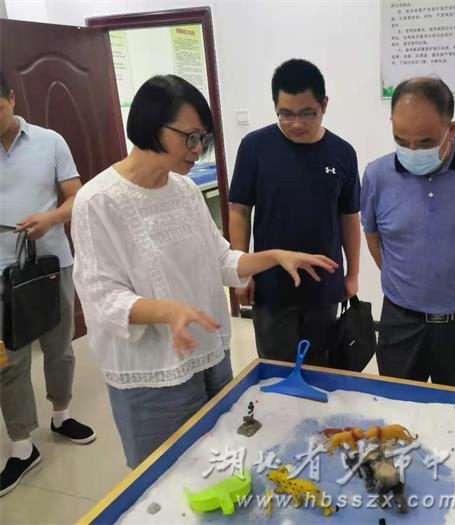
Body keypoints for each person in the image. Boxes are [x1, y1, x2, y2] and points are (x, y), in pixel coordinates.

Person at [71, 75, 338, 468]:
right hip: (155, 372)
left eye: (203, 139)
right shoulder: (98, 201)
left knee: (218, 463)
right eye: (190, 138)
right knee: (166, 476)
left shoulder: (184, 191)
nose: (198, 150)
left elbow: (222, 261)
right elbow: (101, 298)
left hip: (211, 356)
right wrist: (168, 311)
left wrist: (273, 256)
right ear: (151, 126)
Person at [360, 77, 455, 390]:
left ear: (452, 129)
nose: (412, 150)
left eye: (425, 142)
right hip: (400, 322)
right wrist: (406, 278)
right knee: (396, 407)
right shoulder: (376, 175)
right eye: (401, 140)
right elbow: (373, 236)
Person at [228, 59, 361, 365]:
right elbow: (239, 211)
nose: (297, 124)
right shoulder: (255, 147)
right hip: (271, 285)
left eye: (306, 113)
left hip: (325, 284)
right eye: (286, 114)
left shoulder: (342, 153)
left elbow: (349, 218)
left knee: (321, 368)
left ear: (324, 105)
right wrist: (241, 272)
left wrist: (352, 273)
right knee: (275, 369)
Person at [0, 71, 95, 497]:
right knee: (9, 360)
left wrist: (50, 218)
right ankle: (22, 446)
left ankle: (61, 415)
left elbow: (77, 196)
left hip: (50, 262)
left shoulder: (50, 142)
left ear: (12, 99)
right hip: (0, 271)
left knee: (59, 346)